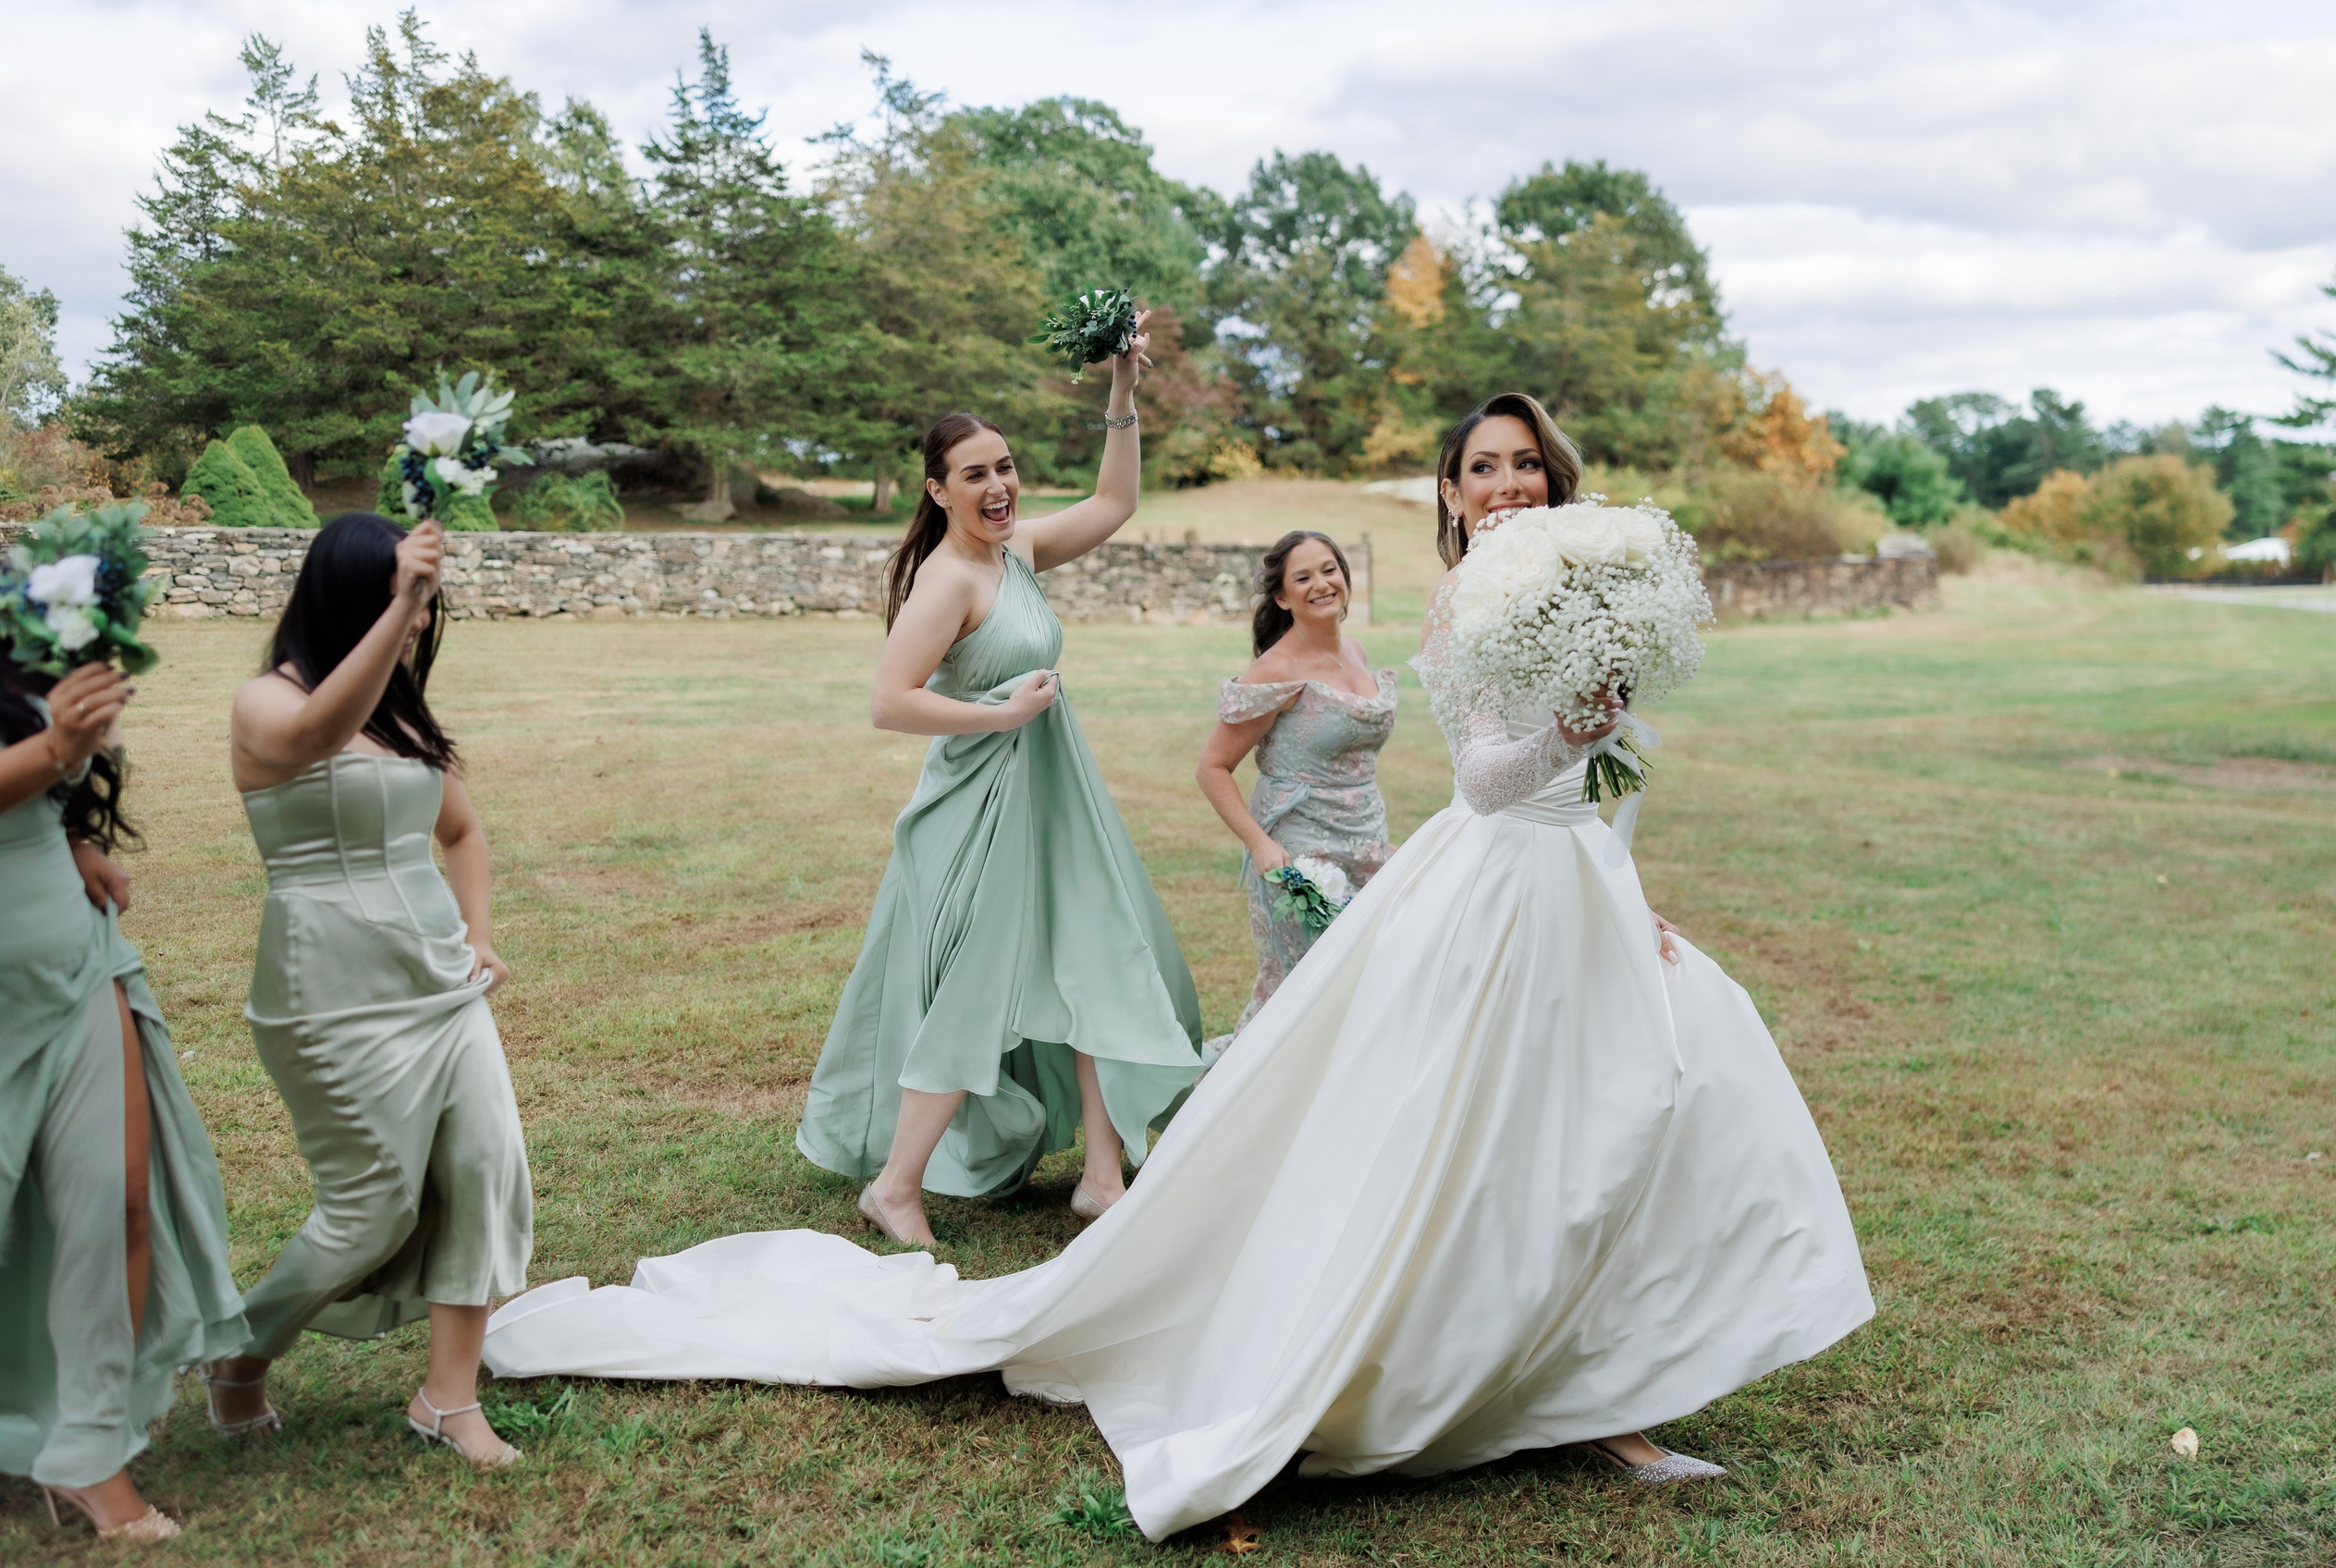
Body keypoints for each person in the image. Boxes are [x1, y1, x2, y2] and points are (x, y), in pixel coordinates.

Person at [481, 391, 1872, 1541]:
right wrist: (1573, 726)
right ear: (1451, 497)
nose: (1506, 484)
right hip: (1493, 888)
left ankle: (1609, 1386)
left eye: (1523, 464)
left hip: (1582, 889)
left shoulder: (1584, 583)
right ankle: (1532, 1382)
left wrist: (1625, 875)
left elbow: (1608, 777)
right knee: (1500, 1139)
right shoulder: (1462, 606)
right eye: (1481, 468)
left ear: (1553, 477)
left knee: (1648, 1098)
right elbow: (1489, 779)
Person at [794, 321, 1204, 1247]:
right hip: (981, 809)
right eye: (974, 473)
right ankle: (895, 1186)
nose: (998, 486)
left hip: (1054, 799)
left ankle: (1101, 1175)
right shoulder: (947, 580)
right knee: (977, 988)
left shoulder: (1013, 556)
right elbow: (889, 702)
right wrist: (1001, 715)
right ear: (937, 490)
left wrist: (1121, 392)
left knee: (1099, 956)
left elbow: (1113, 502)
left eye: (1006, 467)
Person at [199, 514, 534, 1469]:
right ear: (352, 594)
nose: (421, 621)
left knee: (483, 1167)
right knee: (372, 1208)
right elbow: (315, 733)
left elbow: (461, 832)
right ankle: (241, 1349)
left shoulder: (401, 713)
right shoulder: (266, 701)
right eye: (405, 600)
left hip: (438, 977)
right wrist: (402, 605)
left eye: (426, 604)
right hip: (329, 987)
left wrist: (478, 934)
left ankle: (448, 1399)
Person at [1, 659, 247, 1542]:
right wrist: (53, 750)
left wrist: (60, 835)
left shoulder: (24, 622)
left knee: (118, 1203)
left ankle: (90, 1449)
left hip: (70, 958)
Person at [1195, 531, 1394, 1052]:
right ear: (1282, 597)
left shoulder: (1355, 651)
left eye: (1329, 570)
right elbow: (1213, 766)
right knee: (1304, 991)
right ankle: (1237, 1087)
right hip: (1299, 851)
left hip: (1368, 841)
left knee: (1370, 982)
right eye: (1303, 578)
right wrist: (1260, 844)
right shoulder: (1276, 669)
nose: (1321, 584)